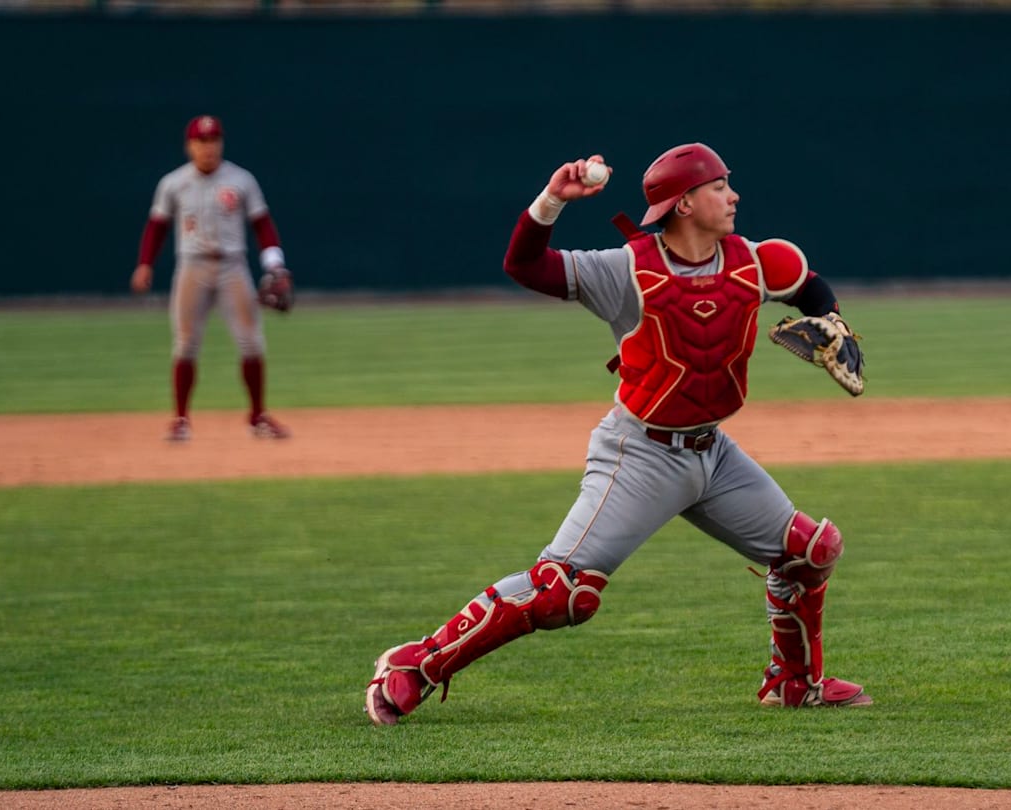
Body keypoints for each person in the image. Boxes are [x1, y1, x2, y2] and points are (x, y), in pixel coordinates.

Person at [365, 143, 871, 725]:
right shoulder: (626, 269)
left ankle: (794, 683)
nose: (732, 196)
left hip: (714, 455)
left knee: (811, 553)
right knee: (562, 592)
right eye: (718, 187)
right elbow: (525, 266)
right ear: (684, 204)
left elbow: (808, 284)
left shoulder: (756, 260)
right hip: (641, 454)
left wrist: (832, 320)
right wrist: (552, 200)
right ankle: (414, 665)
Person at [131, 114, 292, 442]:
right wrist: (145, 263)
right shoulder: (174, 183)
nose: (209, 147)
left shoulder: (241, 180)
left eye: (214, 140)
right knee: (186, 344)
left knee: (251, 342)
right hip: (192, 267)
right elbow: (157, 227)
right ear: (189, 145)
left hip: (232, 266)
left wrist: (274, 264)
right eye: (202, 141)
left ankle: (258, 417)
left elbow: (262, 224)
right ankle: (180, 420)